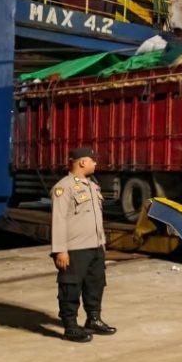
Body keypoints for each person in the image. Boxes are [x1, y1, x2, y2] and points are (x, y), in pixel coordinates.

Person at [51, 147, 115, 343]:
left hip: (95, 247)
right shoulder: (64, 188)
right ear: (82, 163)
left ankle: (93, 319)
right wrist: (60, 250)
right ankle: (70, 326)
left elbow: (97, 219)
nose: (96, 163)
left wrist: (102, 243)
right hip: (75, 248)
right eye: (93, 160)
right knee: (70, 286)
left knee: (95, 284)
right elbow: (58, 220)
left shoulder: (92, 187)